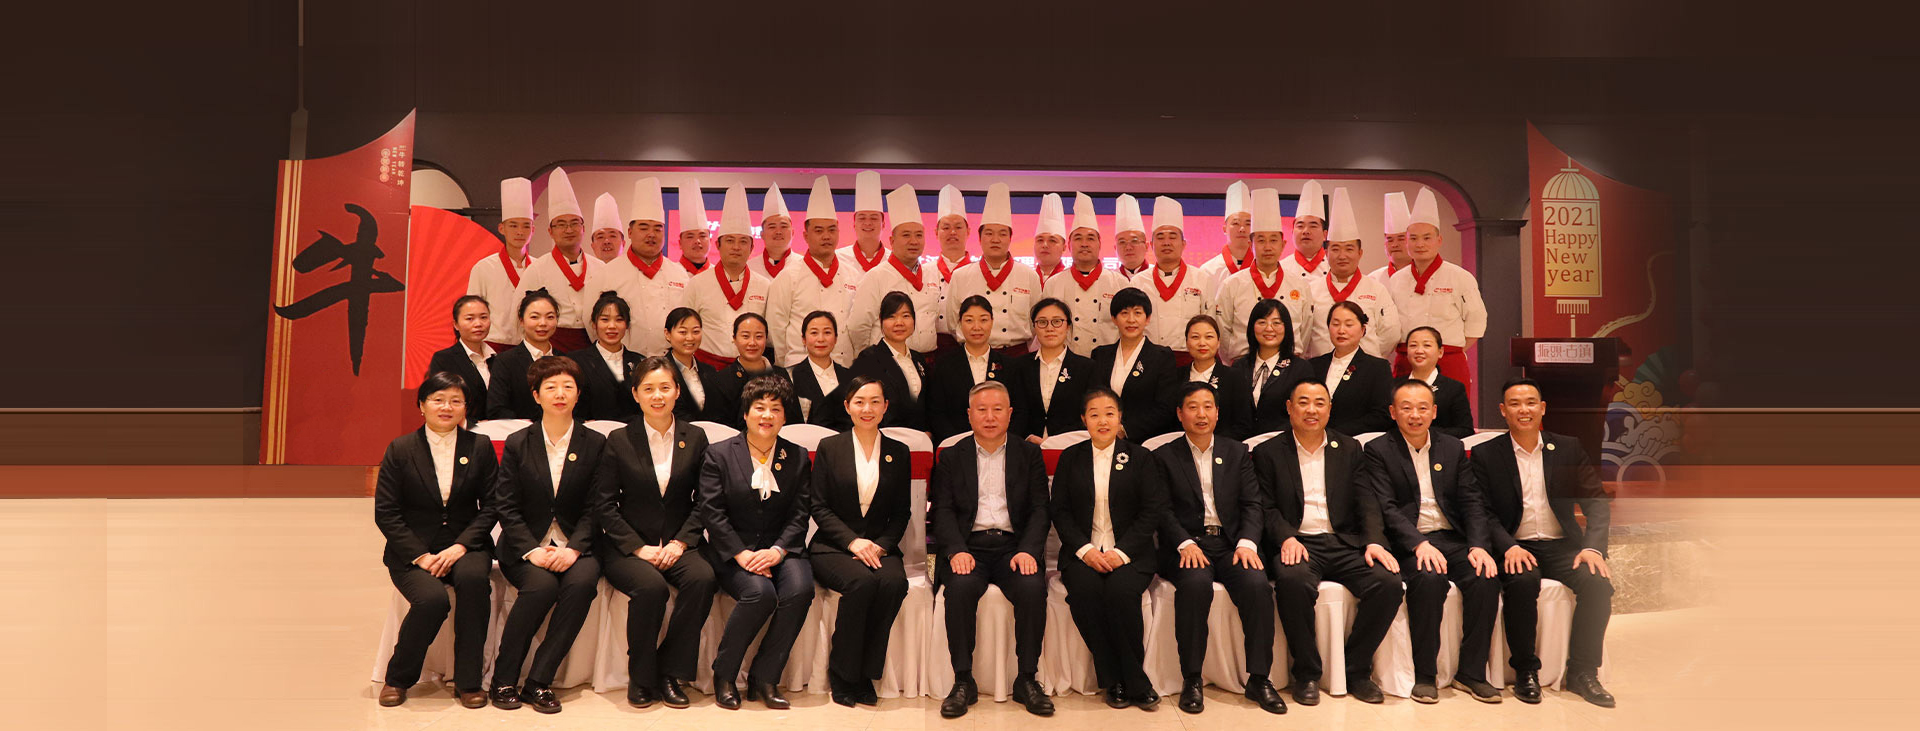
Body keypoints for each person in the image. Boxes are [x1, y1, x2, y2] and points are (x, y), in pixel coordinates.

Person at [1251, 379, 1402, 706]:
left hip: (1344, 541)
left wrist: (1374, 542)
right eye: (1303, 402)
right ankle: (1306, 673)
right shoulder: (1268, 452)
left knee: (1388, 583)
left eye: (1320, 403)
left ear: (1330, 409)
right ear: (1289, 408)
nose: (1312, 410)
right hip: (1299, 542)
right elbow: (1265, 506)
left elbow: (1367, 501)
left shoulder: (1349, 448)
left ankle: (1356, 671)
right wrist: (1286, 537)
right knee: (1292, 581)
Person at [1472, 378, 1616, 707]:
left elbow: (1596, 501)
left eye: (1530, 402)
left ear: (1542, 408)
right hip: (1515, 546)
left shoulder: (1567, 448)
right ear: (1503, 411)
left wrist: (1592, 547)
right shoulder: (1486, 455)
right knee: (1522, 582)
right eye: (1515, 404)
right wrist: (1507, 546)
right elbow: (1482, 511)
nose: (1523, 410)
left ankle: (1583, 672)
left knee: (1598, 584)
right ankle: (1525, 671)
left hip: (1562, 545)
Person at [1358, 378, 1501, 704]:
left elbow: (1471, 501)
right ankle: (1425, 675)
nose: (1415, 415)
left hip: (1452, 537)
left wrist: (1479, 545)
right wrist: (1419, 544)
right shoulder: (1378, 450)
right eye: (1406, 408)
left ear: (1434, 412)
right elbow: (1387, 508)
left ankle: (1472, 672)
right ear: (1393, 412)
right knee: (1428, 579)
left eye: (1422, 408)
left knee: (1485, 576)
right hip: (1410, 542)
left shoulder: (1451, 447)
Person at [590, 356, 718, 709]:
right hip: (629, 546)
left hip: (679, 542)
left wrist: (681, 542)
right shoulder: (619, 439)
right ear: (636, 394)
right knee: (650, 587)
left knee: (703, 579)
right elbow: (604, 504)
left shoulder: (696, 436)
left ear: (677, 391)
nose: (657, 396)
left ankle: (670, 672)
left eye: (664, 387)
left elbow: (705, 500)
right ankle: (641, 676)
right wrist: (637, 547)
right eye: (648, 389)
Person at [1153, 382, 1283, 714]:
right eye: (1193, 407)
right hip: (1188, 545)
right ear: (1180, 414)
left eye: (1208, 406)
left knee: (1257, 586)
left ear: (1217, 412)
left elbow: (1252, 503)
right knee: (1195, 586)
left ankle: (1259, 678)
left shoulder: (1237, 452)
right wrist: (1184, 542)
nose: (1201, 414)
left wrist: (1247, 543)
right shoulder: (1164, 456)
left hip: (1231, 543)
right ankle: (1192, 679)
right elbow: (1161, 510)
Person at [487, 356, 606, 713]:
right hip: (524, 546)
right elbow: (506, 504)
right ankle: (503, 678)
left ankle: (539, 681)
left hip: (577, 546)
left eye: (568, 386)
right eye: (550, 387)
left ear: (578, 394)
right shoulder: (518, 442)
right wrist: (531, 550)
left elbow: (597, 505)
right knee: (540, 587)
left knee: (581, 585)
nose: (560, 394)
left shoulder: (595, 442)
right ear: (536, 395)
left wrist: (574, 549)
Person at [373, 372, 498, 708]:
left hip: (465, 545)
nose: (447, 407)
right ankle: (398, 678)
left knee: (474, 583)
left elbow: (492, 506)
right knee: (432, 600)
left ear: (465, 408)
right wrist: (421, 556)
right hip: (413, 550)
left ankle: (469, 682)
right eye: (438, 400)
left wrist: (461, 546)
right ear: (422, 405)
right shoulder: (401, 449)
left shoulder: (480, 446)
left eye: (456, 401)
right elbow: (386, 512)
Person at [932, 381, 1054, 718]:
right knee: (959, 589)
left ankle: (1026, 679)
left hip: (1014, 548)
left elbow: (1040, 509)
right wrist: (956, 550)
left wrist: (1028, 550)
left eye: (997, 409)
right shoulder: (951, 456)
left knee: (1031, 589)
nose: (990, 417)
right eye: (982, 410)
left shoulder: (1028, 454)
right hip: (969, 547)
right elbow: (942, 511)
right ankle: (963, 680)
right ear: (969, 415)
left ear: (1010, 414)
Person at [697, 376, 815, 710]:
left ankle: (764, 677)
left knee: (800, 589)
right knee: (760, 594)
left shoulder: (797, 456)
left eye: (775, 409)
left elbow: (800, 513)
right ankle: (724, 674)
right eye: (759, 408)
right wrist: (741, 553)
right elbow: (711, 512)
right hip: (734, 550)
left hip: (781, 549)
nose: (767, 415)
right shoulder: (719, 454)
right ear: (746, 413)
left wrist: (778, 551)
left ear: (785, 416)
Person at [1052, 387, 1170, 711]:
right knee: (1086, 594)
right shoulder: (1071, 458)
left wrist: (1121, 552)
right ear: (1083, 420)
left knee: (1120, 593)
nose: (1102, 421)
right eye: (1094, 414)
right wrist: (1085, 550)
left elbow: (1152, 511)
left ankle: (1128, 680)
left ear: (1120, 418)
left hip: (1130, 553)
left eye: (1109, 413)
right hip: (1083, 553)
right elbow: (1059, 511)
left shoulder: (1140, 457)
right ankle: (1119, 680)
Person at [808, 378, 913, 707]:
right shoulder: (830, 447)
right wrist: (853, 542)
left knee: (893, 583)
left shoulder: (899, 452)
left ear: (885, 406)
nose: (867, 409)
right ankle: (843, 673)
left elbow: (902, 512)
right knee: (861, 583)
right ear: (847, 406)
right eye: (859, 401)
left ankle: (866, 673)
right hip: (833, 545)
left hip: (880, 545)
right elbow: (819, 507)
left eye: (875, 401)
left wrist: (881, 545)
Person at [1388, 187, 1487, 392]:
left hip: (1449, 361)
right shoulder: (1396, 280)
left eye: (1427, 238)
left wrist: (1442, 351)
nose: (1420, 244)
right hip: (1407, 361)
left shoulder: (1460, 277)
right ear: (1407, 242)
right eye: (1413, 238)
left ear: (1439, 240)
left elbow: (1476, 323)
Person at [586, 177, 689, 358]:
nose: (651, 234)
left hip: (669, 363)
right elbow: (591, 324)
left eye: (658, 228)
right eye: (644, 228)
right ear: (630, 232)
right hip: (621, 362)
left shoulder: (679, 273)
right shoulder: (606, 274)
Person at [767, 176, 860, 366]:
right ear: (805, 236)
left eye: (831, 230)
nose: (826, 236)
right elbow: (776, 329)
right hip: (799, 368)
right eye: (818, 231)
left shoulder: (853, 275)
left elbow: (857, 325)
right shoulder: (788, 276)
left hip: (843, 367)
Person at [1305, 187, 1401, 359]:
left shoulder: (1376, 289)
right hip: (1321, 368)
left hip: (1365, 369)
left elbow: (1391, 333)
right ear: (1326, 253)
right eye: (1335, 249)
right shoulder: (1311, 290)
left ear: (1360, 253)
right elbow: (1304, 333)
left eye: (1349, 249)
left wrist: (1368, 359)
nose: (1342, 256)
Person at [945, 183, 1040, 356]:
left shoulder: (1029, 276)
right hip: (974, 354)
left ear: (1010, 238)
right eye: (989, 233)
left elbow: (1036, 322)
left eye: (1002, 234)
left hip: (1017, 355)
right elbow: (953, 323)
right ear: (979, 238)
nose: (995, 239)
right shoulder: (960, 276)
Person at [850, 184, 945, 353]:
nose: (914, 241)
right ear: (892, 241)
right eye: (906, 235)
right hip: (888, 361)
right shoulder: (876, 276)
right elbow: (858, 326)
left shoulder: (932, 274)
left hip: (928, 360)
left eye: (919, 235)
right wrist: (872, 359)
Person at [685, 183, 770, 368]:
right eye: (730, 241)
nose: (736, 247)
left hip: (750, 368)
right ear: (718, 245)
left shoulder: (765, 286)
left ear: (752, 247)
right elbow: (685, 330)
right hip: (707, 368)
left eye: (743, 242)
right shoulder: (697, 284)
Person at [1041, 192, 1130, 357]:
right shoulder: (1053, 284)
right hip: (1066, 362)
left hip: (1108, 362)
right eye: (1078, 238)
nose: (1084, 244)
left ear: (1099, 244)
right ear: (1069, 245)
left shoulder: (1120, 283)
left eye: (1090, 238)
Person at [515, 168, 594, 353]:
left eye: (575, 223)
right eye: (561, 225)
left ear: (583, 228)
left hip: (592, 346)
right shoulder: (537, 269)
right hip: (551, 346)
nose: (569, 230)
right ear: (550, 231)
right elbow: (519, 311)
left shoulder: (600, 268)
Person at [1129, 196, 1217, 363]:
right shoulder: (1138, 282)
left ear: (1183, 244)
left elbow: (1210, 324)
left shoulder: (1202, 279)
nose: (1166, 242)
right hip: (1149, 360)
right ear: (1151, 245)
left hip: (1191, 359)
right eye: (1160, 237)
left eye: (1172, 236)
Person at [1216, 187, 1296, 362]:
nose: (1267, 247)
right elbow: (1223, 329)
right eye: (1260, 240)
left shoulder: (1299, 285)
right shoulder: (1232, 284)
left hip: (1289, 365)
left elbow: (1304, 329)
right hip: (1241, 364)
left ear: (1283, 245)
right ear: (1251, 243)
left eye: (1273, 240)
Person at [1089, 287, 1179, 441]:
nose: (1131, 320)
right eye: (1124, 313)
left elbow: (1166, 408)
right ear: (1114, 319)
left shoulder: (1162, 356)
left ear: (1147, 318)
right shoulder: (1100, 354)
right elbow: (1092, 399)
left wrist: (1125, 430)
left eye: (1137, 313)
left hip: (1146, 441)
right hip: (1102, 437)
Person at [925, 295, 1013, 442]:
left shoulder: (1009, 365)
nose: (976, 327)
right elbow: (936, 412)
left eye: (983, 320)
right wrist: (958, 444)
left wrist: (1001, 442)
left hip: (1002, 445)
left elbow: (1019, 412)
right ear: (960, 323)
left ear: (992, 322)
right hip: (955, 445)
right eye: (969, 320)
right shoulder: (944, 365)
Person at [1011, 298, 1095, 442]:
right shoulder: (1019, 366)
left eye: (1057, 321)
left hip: (1070, 446)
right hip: (1027, 446)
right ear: (1034, 327)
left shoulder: (1087, 368)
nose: (1050, 328)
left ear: (1067, 326)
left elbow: (1090, 413)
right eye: (1042, 322)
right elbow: (1015, 410)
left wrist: (1057, 442)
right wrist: (1028, 437)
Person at [1228, 299, 1315, 436]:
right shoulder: (1239, 366)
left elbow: (1303, 413)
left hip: (1283, 443)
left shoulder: (1300, 368)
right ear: (1252, 327)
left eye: (1276, 323)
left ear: (1286, 328)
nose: (1269, 328)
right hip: (1241, 443)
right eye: (1262, 322)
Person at [466, 177, 533, 351]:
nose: (520, 232)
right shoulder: (483, 268)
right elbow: (472, 311)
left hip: (530, 346)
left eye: (526, 226)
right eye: (513, 226)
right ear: (502, 228)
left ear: (533, 230)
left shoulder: (539, 267)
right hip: (493, 345)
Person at [1310, 302, 1394, 436]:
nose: (1341, 330)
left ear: (1363, 330)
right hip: (1311, 439)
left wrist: (1334, 435)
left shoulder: (1377, 368)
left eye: (1349, 325)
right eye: (1335, 324)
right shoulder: (1314, 365)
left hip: (1354, 442)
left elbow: (1382, 415)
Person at [849, 291, 930, 431]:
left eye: (906, 316)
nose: (899, 323)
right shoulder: (869, 358)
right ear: (881, 320)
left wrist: (927, 432)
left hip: (920, 438)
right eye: (891, 317)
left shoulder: (918, 359)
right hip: (885, 435)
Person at [706, 313, 796, 431]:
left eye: (759, 336)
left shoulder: (781, 375)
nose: (752, 343)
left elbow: (794, 421)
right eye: (745, 336)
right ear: (734, 339)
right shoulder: (720, 380)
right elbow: (719, 428)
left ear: (766, 338)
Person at [485, 289, 565, 420]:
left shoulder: (565, 360)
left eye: (550, 317)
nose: (543, 323)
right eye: (534, 317)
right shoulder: (505, 361)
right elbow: (496, 409)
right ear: (521, 320)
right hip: (520, 430)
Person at [565, 292, 643, 422]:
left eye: (619, 320)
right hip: (589, 431)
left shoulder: (640, 362)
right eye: (605, 320)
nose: (612, 326)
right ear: (594, 324)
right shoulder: (574, 361)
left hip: (633, 432)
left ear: (627, 325)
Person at [1183, 315, 1253, 440]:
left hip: (1224, 446)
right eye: (1195, 337)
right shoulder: (1176, 376)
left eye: (1209, 337)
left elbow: (1244, 424)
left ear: (1218, 342)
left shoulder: (1235, 377)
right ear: (1187, 342)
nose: (1202, 343)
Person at [425, 295, 493, 424]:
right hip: (461, 430)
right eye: (470, 318)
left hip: (499, 431)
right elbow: (439, 402)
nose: (478, 324)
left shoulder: (498, 358)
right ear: (456, 324)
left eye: (483, 317)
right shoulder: (444, 359)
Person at [788, 311, 855, 431]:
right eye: (814, 333)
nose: (821, 339)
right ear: (803, 339)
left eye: (827, 332)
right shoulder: (791, 377)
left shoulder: (849, 376)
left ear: (836, 338)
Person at [1404, 327, 1474, 438]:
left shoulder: (1454, 388)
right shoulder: (1395, 386)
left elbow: (1465, 430)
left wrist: (1424, 433)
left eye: (1427, 345)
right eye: (1413, 345)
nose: (1419, 351)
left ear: (1440, 352)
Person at [1279, 181, 1331, 309]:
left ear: (1325, 234)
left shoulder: (1334, 267)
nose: (1306, 231)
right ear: (1292, 232)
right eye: (1300, 226)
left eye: (1313, 226)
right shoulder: (1281, 268)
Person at [662, 307, 718, 422]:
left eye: (696, 332)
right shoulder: (659, 371)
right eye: (683, 332)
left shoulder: (710, 371)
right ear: (667, 334)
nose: (690, 338)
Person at [1197, 180, 1254, 289]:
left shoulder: (1264, 267)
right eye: (1236, 223)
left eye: (1248, 224)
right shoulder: (1208, 271)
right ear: (1224, 229)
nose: (1242, 229)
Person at [839, 170, 890, 274]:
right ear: (854, 224)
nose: (868, 223)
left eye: (874, 218)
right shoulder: (838, 258)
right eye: (862, 218)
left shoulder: (893, 260)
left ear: (883, 224)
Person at [749, 183, 802, 280]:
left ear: (793, 232)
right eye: (772, 227)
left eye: (783, 226)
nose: (778, 232)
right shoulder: (749, 268)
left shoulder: (804, 266)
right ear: (762, 234)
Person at [1367, 191, 1412, 285]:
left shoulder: (1427, 275)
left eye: (1401, 239)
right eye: (1390, 240)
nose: (1395, 245)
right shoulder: (1373, 279)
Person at [675, 179, 712, 274]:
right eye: (690, 236)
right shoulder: (669, 273)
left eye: (702, 236)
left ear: (710, 241)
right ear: (680, 243)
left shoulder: (720, 275)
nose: (697, 241)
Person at [1031, 192, 1068, 284]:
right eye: (1040, 240)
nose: (1045, 245)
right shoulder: (1025, 279)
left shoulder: (1070, 280)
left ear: (1064, 247)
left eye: (1052, 240)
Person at [1112, 194, 1150, 278]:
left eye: (1134, 241)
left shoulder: (1158, 275)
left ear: (1147, 246)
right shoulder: (1109, 279)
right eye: (1122, 242)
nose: (1128, 247)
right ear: (1115, 248)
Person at [585, 192, 625, 263]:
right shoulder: (585, 270)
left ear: (623, 243)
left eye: (612, 236)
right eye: (600, 237)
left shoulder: (634, 270)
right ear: (593, 246)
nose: (607, 241)